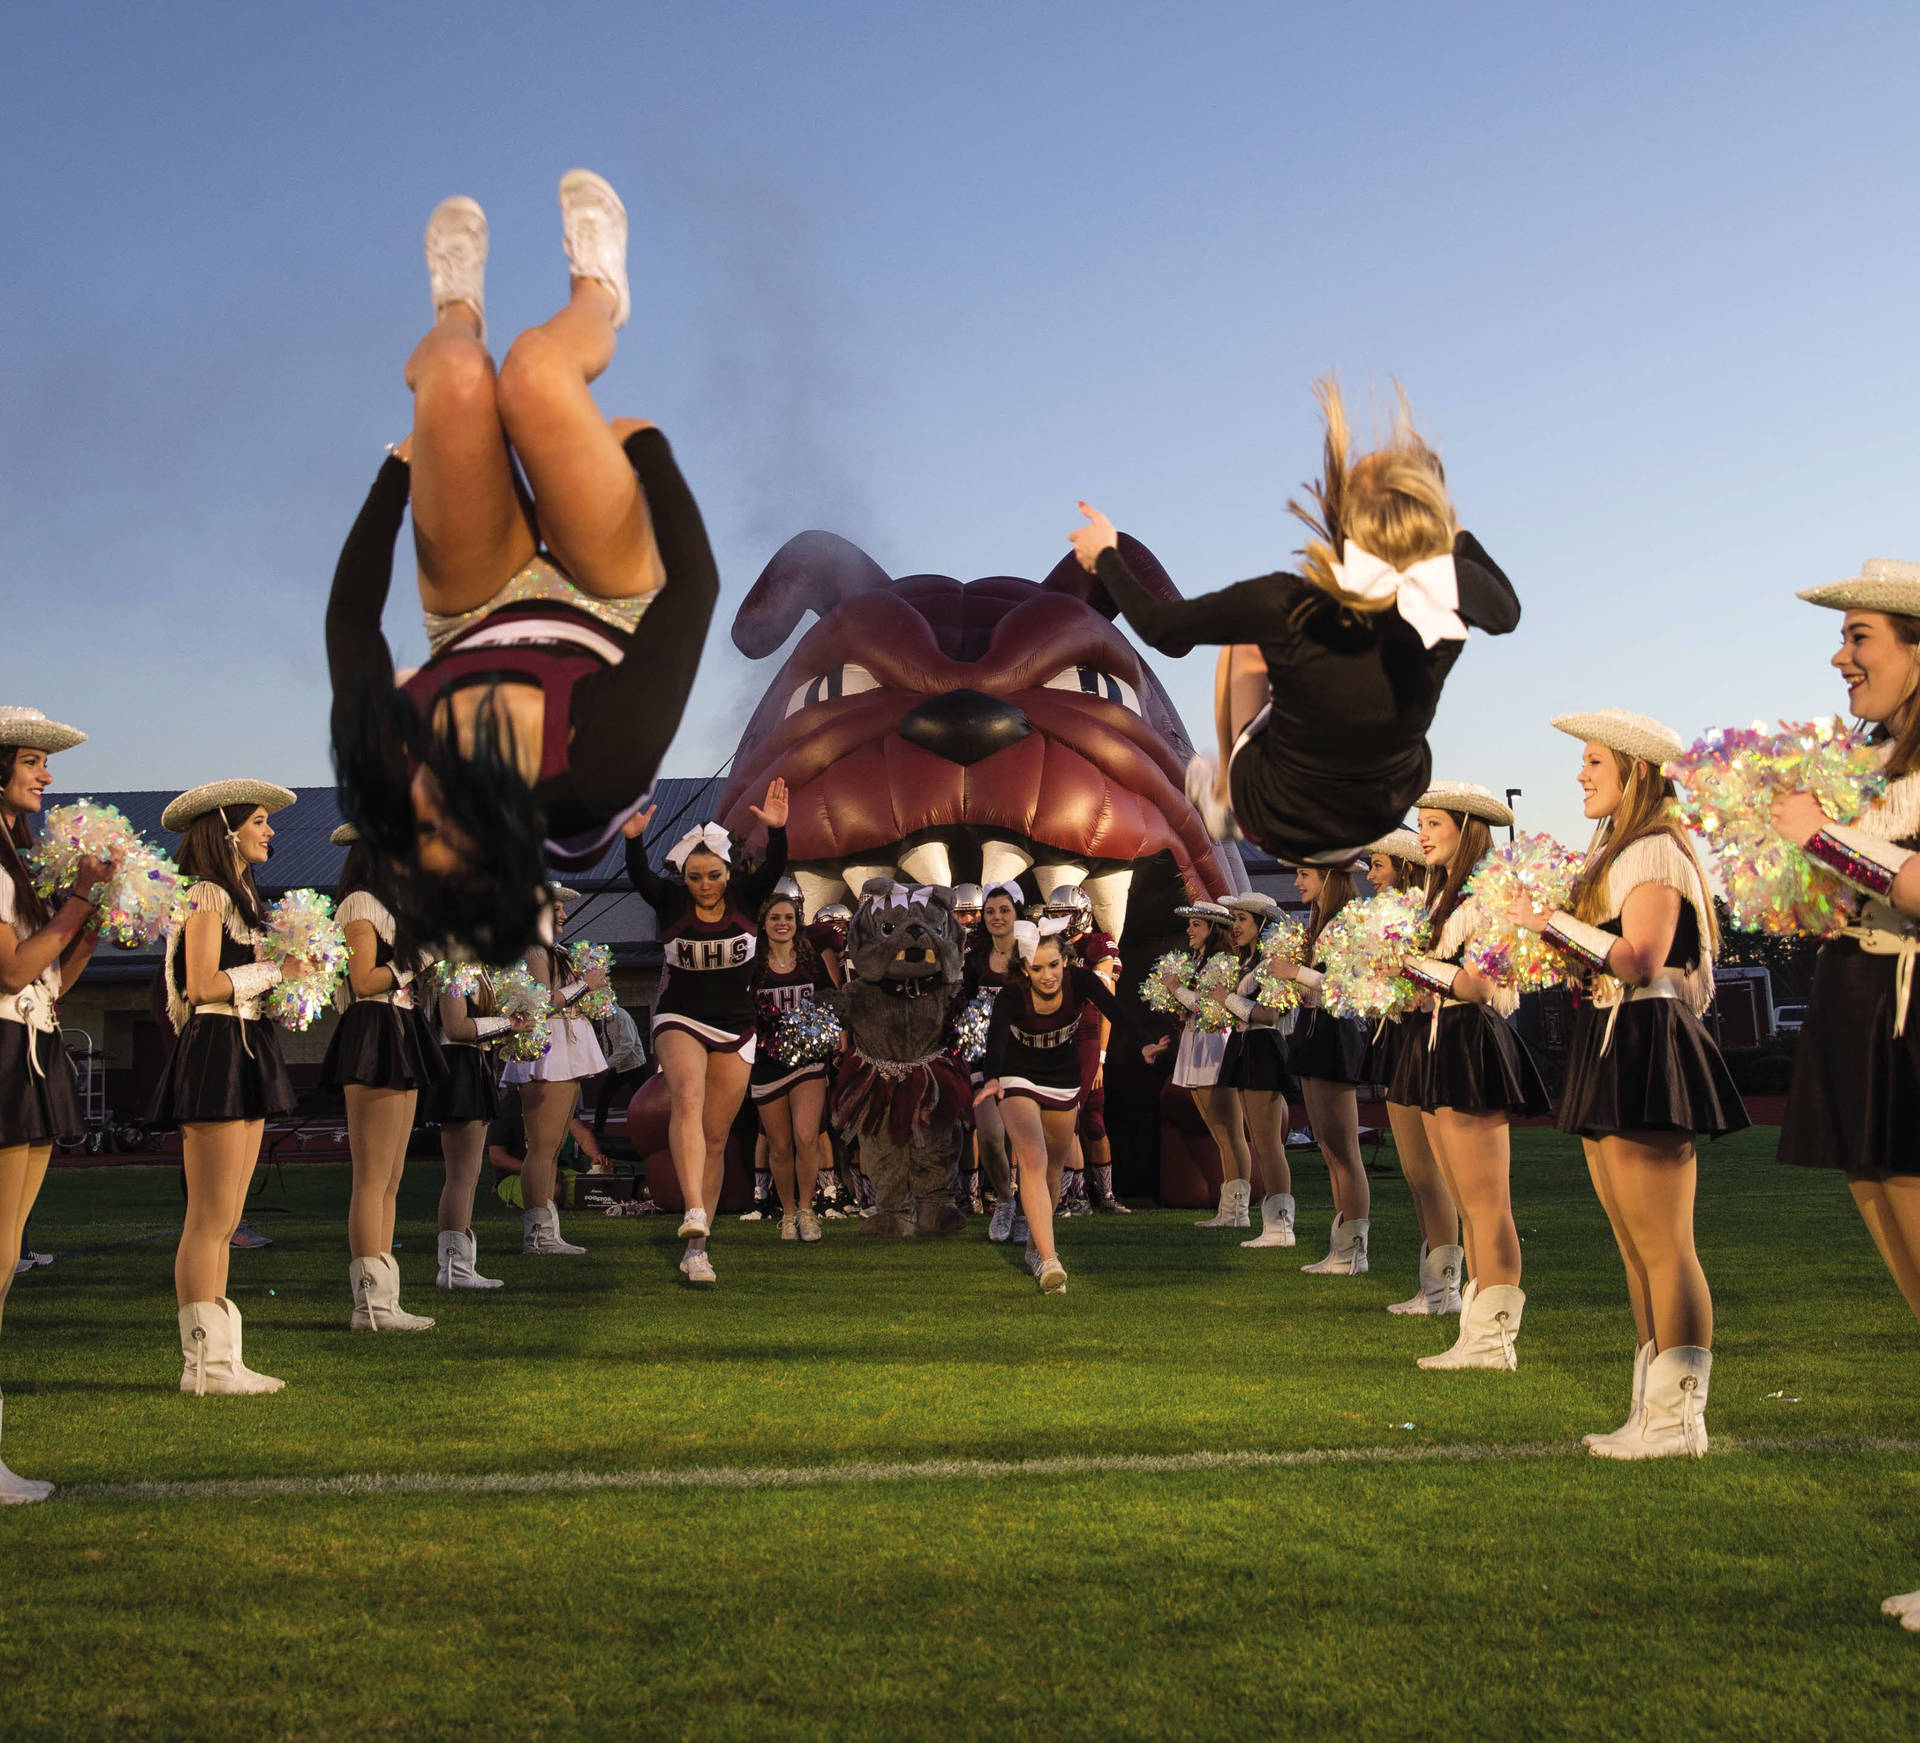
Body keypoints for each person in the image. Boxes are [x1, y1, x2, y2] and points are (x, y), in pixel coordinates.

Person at [325, 171, 720, 964]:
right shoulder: (595, 777)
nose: (428, 801)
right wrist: (649, 450)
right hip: (608, 604)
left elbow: (351, 621)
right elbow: (694, 590)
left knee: (460, 377)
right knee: (537, 371)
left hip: (473, 610)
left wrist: (394, 477)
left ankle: (452, 315)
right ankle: (600, 289)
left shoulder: (386, 769)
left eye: (416, 829)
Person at [1067, 379, 1520, 861]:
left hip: (1278, 816)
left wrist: (1107, 556)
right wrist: (1453, 532)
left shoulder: (1285, 602)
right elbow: (1508, 613)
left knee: (1245, 647)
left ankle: (1224, 794)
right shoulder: (1449, 596)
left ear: (1341, 519)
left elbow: (1163, 628)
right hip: (1377, 812)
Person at [1509, 710, 1746, 1458]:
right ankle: (1651, 1411)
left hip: (1645, 1035)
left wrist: (1550, 919)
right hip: (1610, 1033)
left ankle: (1680, 1420)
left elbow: (1641, 957)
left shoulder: (1652, 849)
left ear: (1637, 771)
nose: (1580, 774)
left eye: (1594, 762)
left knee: (1666, 1244)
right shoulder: (1621, 849)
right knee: (1633, 1244)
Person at [1766, 561, 1920, 1629]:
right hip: (1863, 996)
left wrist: (1819, 836)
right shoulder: (1882, 762)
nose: (1840, 655)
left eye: (1860, 634)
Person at [148, 780, 303, 1397]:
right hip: (216, 1048)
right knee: (208, 1216)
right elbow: (202, 985)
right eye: (259, 821)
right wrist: (277, 970)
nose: (270, 832)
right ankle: (201, 1365)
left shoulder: (240, 896)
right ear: (226, 826)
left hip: (246, 1045)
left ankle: (222, 1359)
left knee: (229, 1215)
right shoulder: (208, 892)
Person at [1399, 783, 1550, 1371]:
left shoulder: (1487, 894)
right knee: (1465, 1202)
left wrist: (1408, 963)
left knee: (1487, 1205)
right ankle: (1477, 1333)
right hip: (1442, 1041)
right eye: (1421, 823)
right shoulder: (1439, 897)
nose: (1424, 835)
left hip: (1470, 1043)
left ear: (1468, 829)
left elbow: (1480, 987)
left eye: (1434, 823)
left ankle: (1494, 1342)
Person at [0, 708, 111, 1501]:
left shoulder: (16, 856)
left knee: (5, 1261)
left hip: (32, 1049)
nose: (46, 774)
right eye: (33, 760)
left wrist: (86, 931)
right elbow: (8, 973)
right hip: (4, 1052)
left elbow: (47, 982)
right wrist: (73, 902)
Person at [623, 784, 789, 1285]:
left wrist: (778, 829)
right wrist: (634, 840)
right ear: (684, 876)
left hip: (736, 1026)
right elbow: (639, 877)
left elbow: (775, 867)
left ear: (727, 871)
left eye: (713, 875)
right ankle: (693, 1206)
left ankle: (698, 1249)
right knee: (687, 1098)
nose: (705, 885)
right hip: (680, 1018)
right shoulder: (671, 900)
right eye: (695, 877)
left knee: (715, 1137)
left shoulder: (746, 894)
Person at [977, 924, 1161, 1293]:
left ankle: (1034, 1247)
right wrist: (993, 1077)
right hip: (1017, 1076)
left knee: (1053, 1171)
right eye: (1037, 968)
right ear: (1024, 968)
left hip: (1063, 1077)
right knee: (1032, 1157)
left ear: (1066, 961)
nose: (1047, 976)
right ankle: (1050, 1261)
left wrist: (1144, 1043)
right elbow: (996, 1038)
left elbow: (1116, 1011)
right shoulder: (1012, 996)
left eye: (1054, 966)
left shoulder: (1082, 981)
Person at [320, 827, 446, 1331]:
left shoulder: (393, 909)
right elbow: (363, 979)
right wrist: (420, 957)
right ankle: (368, 1305)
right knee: (372, 1177)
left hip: (400, 1026)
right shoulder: (359, 905)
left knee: (392, 1177)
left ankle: (386, 1300)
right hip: (373, 1029)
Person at [1363, 829, 1462, 1315]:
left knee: (1430, 1172)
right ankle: (1431, 1286)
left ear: (1403, 868)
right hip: (1400, 1035)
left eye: (1378, 866)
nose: (1371, 876)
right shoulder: (1397, 915)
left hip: (1426, 1034)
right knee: (1413, 1171)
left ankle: (1446, 1290)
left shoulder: (1427, 913)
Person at [1266, 863, 1373, 1273]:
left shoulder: (1348, 919)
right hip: (1314, 1030)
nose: (1297, 883)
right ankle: (1341, 1248)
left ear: (1329, 877)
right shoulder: (1321, 921)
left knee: (1344, 1149)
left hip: (1335, 1031)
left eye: (1305, 875)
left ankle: (1353, 1251)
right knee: (1328, 1148)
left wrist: (1294, 972)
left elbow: (1350, 985)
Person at [499, 884, 609, 1257]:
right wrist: (584, 985)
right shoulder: (532, 950)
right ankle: (537, 1233)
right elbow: (541, 1004)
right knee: (542, 1148)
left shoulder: (551, 950)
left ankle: (548, 1231)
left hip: (566, 1049)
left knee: (553, 1145)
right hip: (549, 1052)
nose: (564, 915)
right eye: (557, 909)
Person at [749, 889, 842, 1242]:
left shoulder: (810, 959)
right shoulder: (753, 964)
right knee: (780, 1144)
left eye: (788, 917)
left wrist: (831, 1035)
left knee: (807, 1136)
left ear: (796, 922)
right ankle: (786, 1213)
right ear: (764, 924)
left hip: (808, 1061)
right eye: (775, 918)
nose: (782, 924)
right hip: (767, 1063)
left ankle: (807, 1210)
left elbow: (830, 999)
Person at [1158, 902, 1255, 1227]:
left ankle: (1237, 1212)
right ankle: (1228, 1210)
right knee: (1218, 1133)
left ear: (1213, 929)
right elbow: (1195, 1006)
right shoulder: (1199, 961)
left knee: (1230, 1132)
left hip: (1216, 1046)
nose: (1189, 930)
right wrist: (1177, 1004)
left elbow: (1211, 1003)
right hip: (1196, 1043)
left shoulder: (1224, 962)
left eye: (1196, 924)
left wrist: (1176, 989)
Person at [1213, 893, 1300, 1251]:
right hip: (1246, 1046)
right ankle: (1272, 1223)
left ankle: (1281, 1226)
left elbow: (1269, 1015)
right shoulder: (1248, 963)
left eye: (1243, 920)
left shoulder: (1273, 963)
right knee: (1259, 1141)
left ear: (1262, 925)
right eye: (1234, 919)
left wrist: (1226, 999)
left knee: (1268, 1142)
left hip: (1264, 1048)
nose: (1235, 926)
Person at [423, 964, 517, 1290]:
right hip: (458, 1067)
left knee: (469, 1173)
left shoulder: (475, 968)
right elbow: (456, 1026)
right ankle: (453, 1268)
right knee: (461, 1173)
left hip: (473, 1065)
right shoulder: (453, 966)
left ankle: (460, 1266)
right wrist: (510, 1024)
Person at [1046, 883, 1127, 1215]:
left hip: (1087, 1036)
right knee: (1079, 1118)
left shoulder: (1098, 945)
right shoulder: (1049, 944)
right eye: (1055, 914)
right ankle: (1077, 1194)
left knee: (1087, 1119)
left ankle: (1097, 1195)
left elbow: (1105, 1003)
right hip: (1059, 1036)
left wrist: (1101, 1059)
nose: (1061, 920)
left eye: (1065, 913)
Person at [962, 882, 1024, 1240]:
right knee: (989, 1137)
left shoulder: (1030, 954)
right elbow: (965, 1005)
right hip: (984, 1058)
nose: (997, 917)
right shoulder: (974, 958)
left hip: (1023, 1057)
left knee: (1022, 1140)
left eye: (1004, 910)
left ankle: (1026, 1212)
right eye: (990, 911)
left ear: (1017, 912)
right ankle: (1004, 1201)